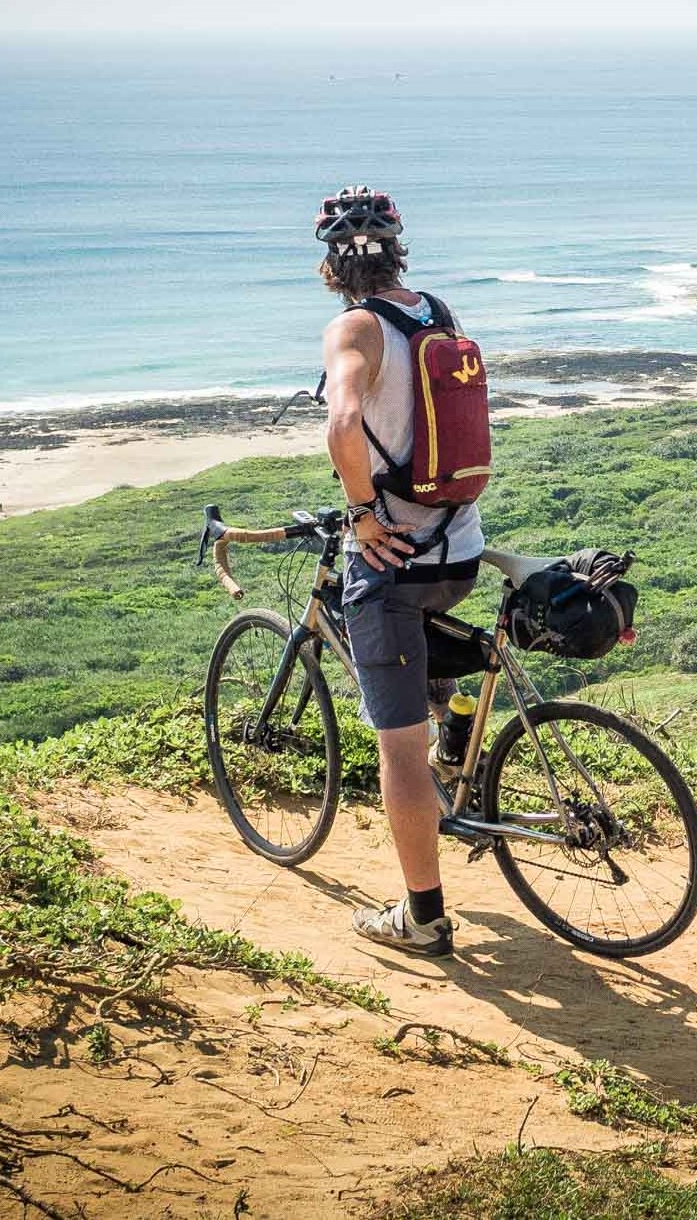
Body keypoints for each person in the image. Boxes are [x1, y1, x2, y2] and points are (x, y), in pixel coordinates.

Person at [315, 185, 485, 958]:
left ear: (331, 264)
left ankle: (421, 918)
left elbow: (344, 422)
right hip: (460, 545)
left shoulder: (355, 326)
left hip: (395, 559)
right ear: (396, 250)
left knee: (397, 751)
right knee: (434, 646)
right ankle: (456, 732)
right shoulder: (437, 313)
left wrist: (360, 512)